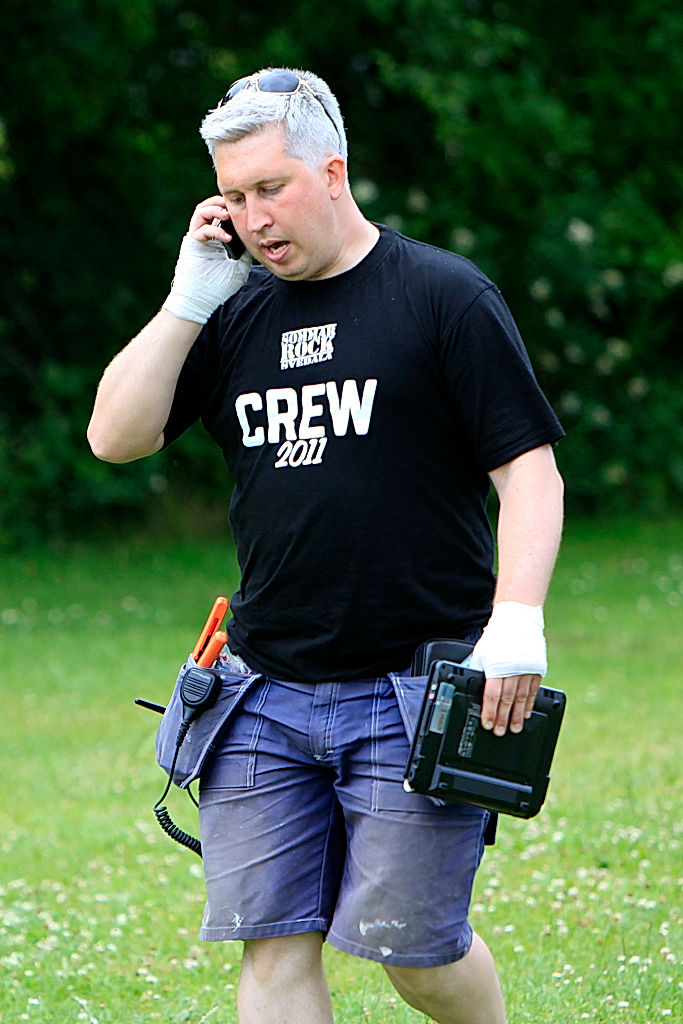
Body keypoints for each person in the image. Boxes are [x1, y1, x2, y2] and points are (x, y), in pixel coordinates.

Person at [88, 67, 564, 1024]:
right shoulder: (231, 314)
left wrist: (514, 620)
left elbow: (531, 475)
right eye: (232, 195)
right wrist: (188, 301)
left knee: (414, 956)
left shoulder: (442, 296)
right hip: (261, 689)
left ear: (332, 170)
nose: (253, 216)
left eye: (272, 188)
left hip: (411, 687)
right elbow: (114, 436)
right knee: (271, 951)